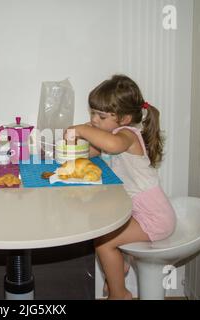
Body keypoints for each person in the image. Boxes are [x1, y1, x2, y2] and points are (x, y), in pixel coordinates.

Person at [65, 75, 176, 300]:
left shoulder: (127, 135)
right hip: (139, 213)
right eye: (92, 113)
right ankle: (121, 266)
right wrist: (78, 142)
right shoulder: (112, 134)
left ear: (124, 118)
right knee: (102, 223)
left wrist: (81, 129)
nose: (94, 120)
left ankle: (119, 293)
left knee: (104, 243)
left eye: (101, 116)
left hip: (155, 218)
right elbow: (93, 152)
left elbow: (112, 145)